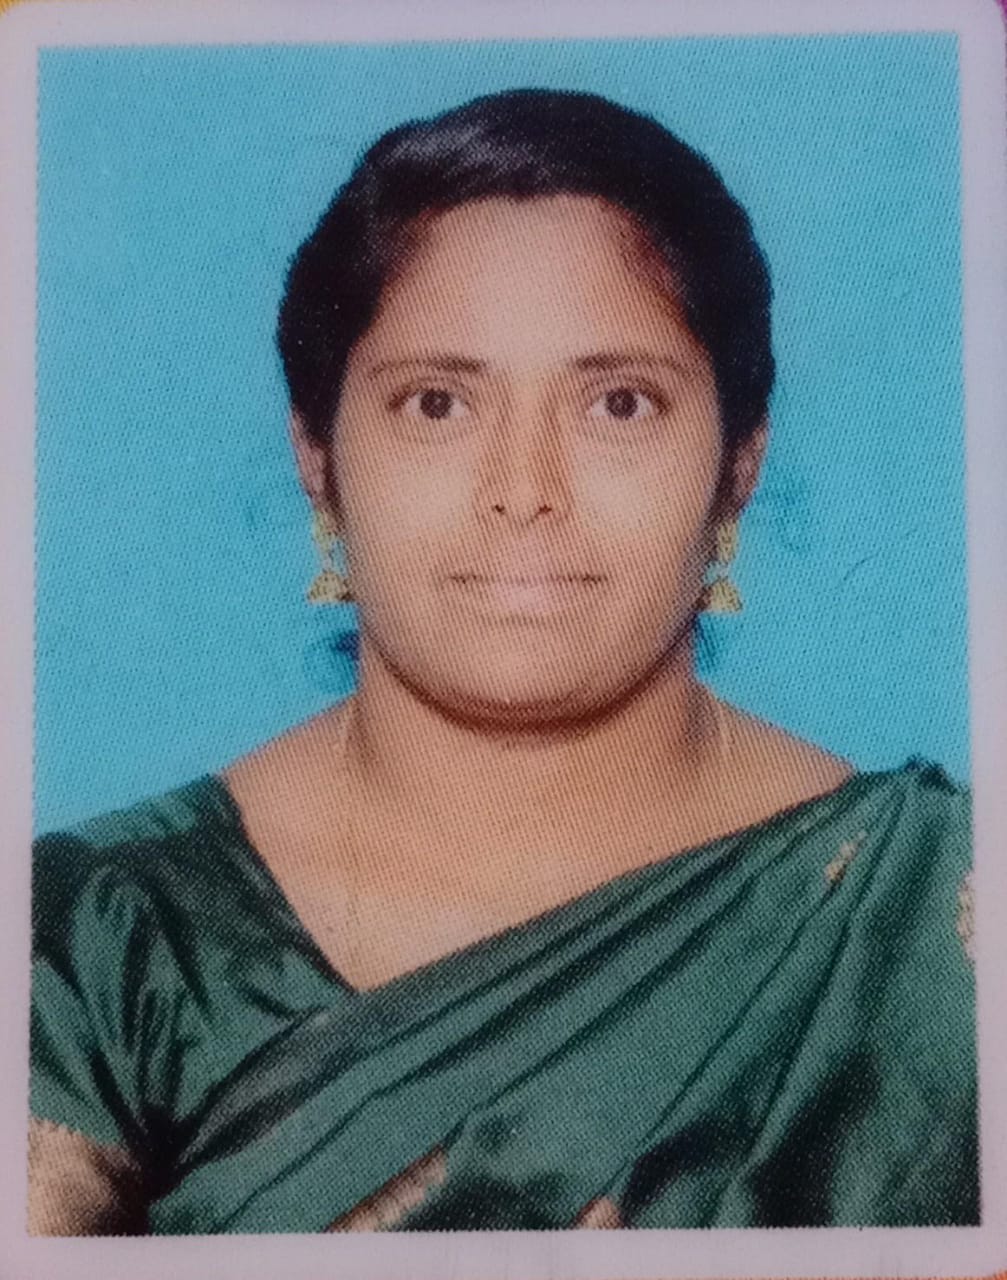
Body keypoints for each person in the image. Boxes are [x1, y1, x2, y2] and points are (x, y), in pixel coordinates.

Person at [27, 88, 977, 1235]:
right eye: (436, 402)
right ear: (317, 456)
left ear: (738, 463)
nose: (522, 489)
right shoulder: (94, 940)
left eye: (618, 402)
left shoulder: (938, 926)